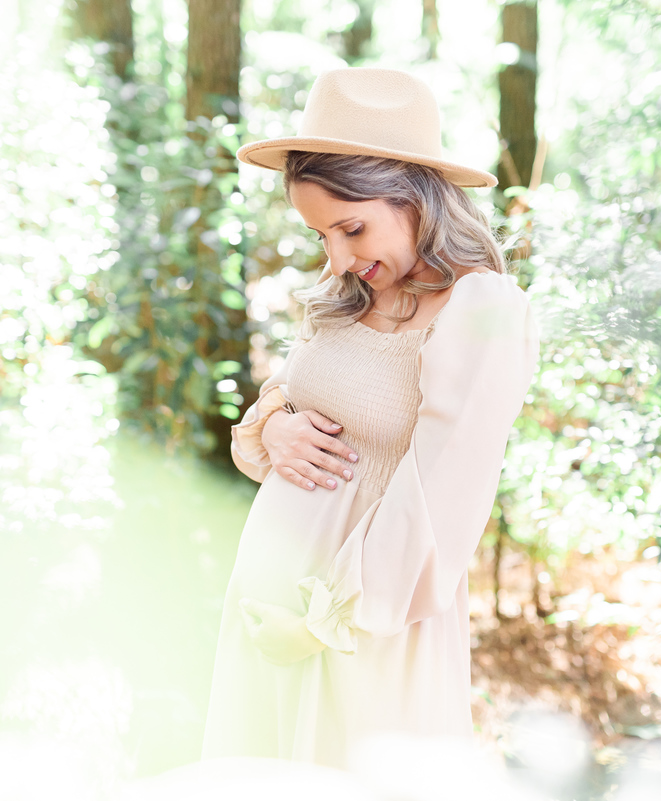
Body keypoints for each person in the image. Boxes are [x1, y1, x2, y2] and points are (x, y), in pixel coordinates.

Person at [201, 67, 540, 768]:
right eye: (321, 235)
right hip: (269, 614)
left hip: (363, 631)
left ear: (415, 198)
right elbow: (292, 393)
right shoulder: (350, 289)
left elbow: (442, 499)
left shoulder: (483, 312)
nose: (337, 258)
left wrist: (324, 621)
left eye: (351, 228)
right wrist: (274, 423)